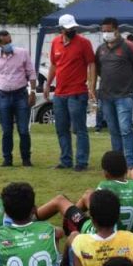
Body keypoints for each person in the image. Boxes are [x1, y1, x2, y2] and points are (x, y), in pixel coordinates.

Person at [37, 151, 133, 245]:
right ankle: (68, 222)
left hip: (101, 233)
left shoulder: (104, 186)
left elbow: (99, 217)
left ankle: (28, 219)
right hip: (125, 234)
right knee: (88, 194)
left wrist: (111, 243)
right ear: (126, 170)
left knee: (60, 200)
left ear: (106, 173)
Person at [45, 13, 95, 171]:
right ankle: (65, 160)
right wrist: (47, 84)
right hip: (59, 93)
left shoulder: (84, 43)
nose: (72, 30)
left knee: (79, 129)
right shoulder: (55, 43)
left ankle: (81, 162)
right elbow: (54, 65)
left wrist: (91, 86)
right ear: (61, 29)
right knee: (61, 128)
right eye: (68, 28)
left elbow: (91, 64)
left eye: (73, 27)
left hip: (77, 92)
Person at [95, 17, 133, 168]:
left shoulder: (129, 47)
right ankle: (117, 163)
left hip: (124, 95)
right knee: (113, 131)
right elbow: (98, 69)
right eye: (103, 31)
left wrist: (128, 81)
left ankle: (130, 164)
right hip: (106, 96)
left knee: (125, 130)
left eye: (109, 30)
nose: (106, 33)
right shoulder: (100, 49)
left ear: (117, 29)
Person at [0, 30, 36, 167]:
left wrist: (33, 92)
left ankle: (26, 159)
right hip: (3, 96)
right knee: (6, 131)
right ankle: (7, 159)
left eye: (9, 42)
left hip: (21, 95)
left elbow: (31, 73)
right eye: (5, 43)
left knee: (24, 130)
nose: (8, 45)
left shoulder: (22, 53)